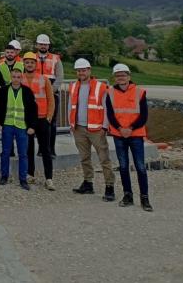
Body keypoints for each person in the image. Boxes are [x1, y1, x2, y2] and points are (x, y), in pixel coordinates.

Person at [106, 64, 152, 211]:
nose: (121, 77)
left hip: (136, 134)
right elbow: (110, 114)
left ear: (129, 76)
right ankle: (128, 195)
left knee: (140, 167)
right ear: (115, 77)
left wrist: (130, 129)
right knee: (124, 166)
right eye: (118, 75)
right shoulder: (110, 92)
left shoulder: (140, 92)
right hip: (119, 135)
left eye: (123, 75)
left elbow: (144, 116)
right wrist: (120, 129)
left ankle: (144, 198)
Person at [69, 58, 115, 201]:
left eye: (83, 70)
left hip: (96, 130)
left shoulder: (100, 87)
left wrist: (105, 127)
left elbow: (107, 108)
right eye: (78, 71)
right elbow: (70, 106)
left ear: (89, 70)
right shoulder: (73, 86)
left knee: (104, 159)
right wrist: (71, 125)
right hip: (79, 128)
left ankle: (109, 187)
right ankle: (88, 183)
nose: (81, 73)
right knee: (84, 158)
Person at [0, 66, 38, 189]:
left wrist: (32, 126)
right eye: (14, 77)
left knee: (23, 154)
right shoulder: (3, 91)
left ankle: (23, 179)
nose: (16, 79)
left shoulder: (27, 91)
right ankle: (4, 176)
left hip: (22, 126)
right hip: (7, 125)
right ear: (10, 77)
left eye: (18, 77)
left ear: (21, 78)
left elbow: (33, 110)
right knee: (5, 153)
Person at [21, 52, 55, 190]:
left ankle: (49, 178)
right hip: (26, 120)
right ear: (23, 64)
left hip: (42, 119)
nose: (29, 64)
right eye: (27, 62)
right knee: (28, 149)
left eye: (32, 62)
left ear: (36, 64)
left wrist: (49, 117)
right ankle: (30, 174)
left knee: (45, 150)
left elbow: (51, 99)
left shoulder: (44, 79)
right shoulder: (19, 79)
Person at [35, 34, 64, 158]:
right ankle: (41, 149)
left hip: (52, 92)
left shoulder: (56, 58)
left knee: (51, 122)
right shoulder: (31, 57)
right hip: (36, 94)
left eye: (45, 44)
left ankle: (50, 149)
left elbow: (60, 76)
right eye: (41, 44)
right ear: (37, 45)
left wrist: (51, 91)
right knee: (38, 122)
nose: (43, 46)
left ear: (48, 45)